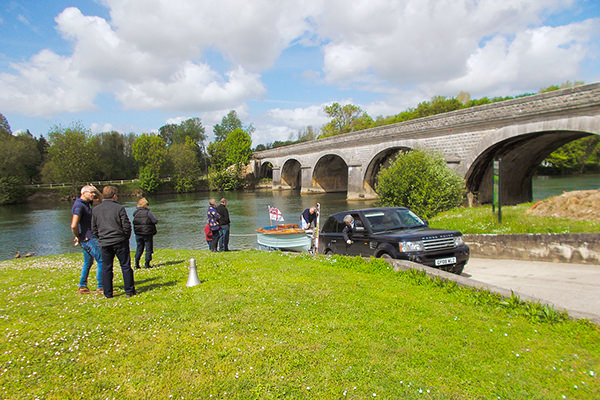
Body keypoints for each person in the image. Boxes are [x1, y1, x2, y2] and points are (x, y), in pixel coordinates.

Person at [92, 186, 136, 298]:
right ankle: (129, 291)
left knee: (106, 268)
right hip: (119, 241)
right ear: (114, 195)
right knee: (125, 266)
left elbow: (94, 228)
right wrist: (125, 237)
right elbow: (126, 225)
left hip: (105, 243)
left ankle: (108, 293)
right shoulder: (119, 208)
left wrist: (101, 237)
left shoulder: (96, 210)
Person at [71, 184, 103, 295]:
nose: (93, 194)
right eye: (91, 192)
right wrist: (77, 236)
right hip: (89, 238)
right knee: (101, 260)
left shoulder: (86, 204)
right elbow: (74, 225)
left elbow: (101, 201)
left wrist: (96, 191)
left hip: (86, 238)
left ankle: (82, 286)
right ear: (83, 193)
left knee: (88, 262)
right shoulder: (79, 206)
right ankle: (101, 287)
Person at [133, 197, 158, 269]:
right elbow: (154, 221)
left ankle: (136, 264)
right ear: (145, 205)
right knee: (148, 249)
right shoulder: (148, 212)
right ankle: (147, 264)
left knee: (139, 248)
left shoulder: (136, 213)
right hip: (147, 233)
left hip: (138, 233)